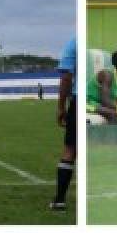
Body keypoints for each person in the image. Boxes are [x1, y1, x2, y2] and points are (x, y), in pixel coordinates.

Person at [51, 34, 77, 213]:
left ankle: (60, 200)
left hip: (78, 100)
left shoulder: (73, 42)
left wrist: (61, 107)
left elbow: (66, 77)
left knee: (70, 149)